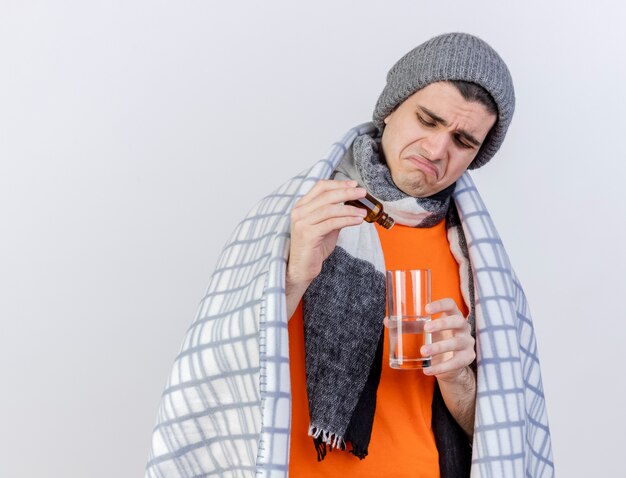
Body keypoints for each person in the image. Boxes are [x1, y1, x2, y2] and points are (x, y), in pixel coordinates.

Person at [145, 33, 554, 478]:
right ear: (391, 108)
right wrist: (293, 275)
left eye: (463, 141)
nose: (437, 150)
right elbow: (216, 370)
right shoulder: (298, 217)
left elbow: (504, 438)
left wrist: (459, 380)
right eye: (427, 120)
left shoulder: (480, 267)